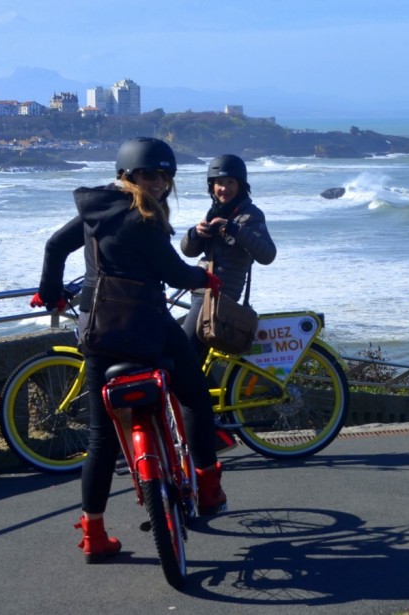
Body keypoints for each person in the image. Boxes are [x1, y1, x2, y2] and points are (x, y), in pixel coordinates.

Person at [31, 137, 228, 563]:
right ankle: (209, 487)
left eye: (165, 176)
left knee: (102, 440)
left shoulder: (94, 212)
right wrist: (205, 279)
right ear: (129, 175)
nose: (158, 183)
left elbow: (54, 247)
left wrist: (48, 294)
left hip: (99, 331)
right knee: (194, 395)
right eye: (150, 174)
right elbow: (173, 273)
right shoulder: (144, 217)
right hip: (149, 328)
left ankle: (94, 535)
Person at [179, 154, 276, 360]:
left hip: (220, 294)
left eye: (230, 182)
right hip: (201, 289)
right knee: (184, 349)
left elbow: (267, 255)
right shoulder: (213, 212)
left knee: (184, 352)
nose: (224, 188)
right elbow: (188, 251)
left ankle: (193, 392)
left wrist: (235, 229)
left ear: (240, 184)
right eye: (219, 183)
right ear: (211, 186)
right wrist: (195, 233)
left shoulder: (251, 215)